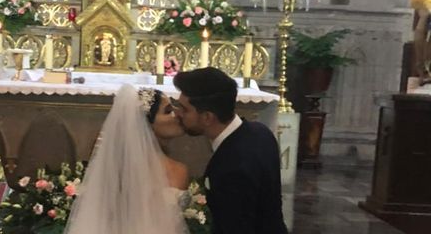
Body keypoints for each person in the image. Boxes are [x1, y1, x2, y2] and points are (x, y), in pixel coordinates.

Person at [174, 67, 288, 234]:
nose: (178, 114)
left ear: (207, 117)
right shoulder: (260, 132)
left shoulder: (231, 167)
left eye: (184, 109)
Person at [65, 84, 189, 234]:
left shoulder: (114, 167)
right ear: (145, 124)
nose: (177, 114)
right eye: (168, 111)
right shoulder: (177, 171)